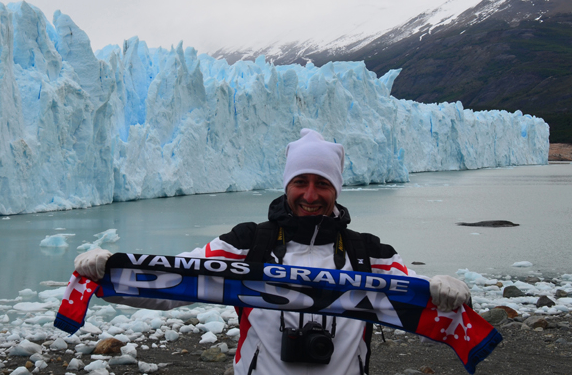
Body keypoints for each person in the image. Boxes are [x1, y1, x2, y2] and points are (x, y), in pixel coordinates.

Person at [74, 129, 471, 374]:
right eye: (301, 181)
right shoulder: (247, 244)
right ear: (287, 185)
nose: (311, 195)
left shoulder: (370, 254)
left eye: (322, 184)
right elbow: (173, 282)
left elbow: (422, 311)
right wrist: (108, 271)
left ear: (337, 189)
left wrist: (448, 292)